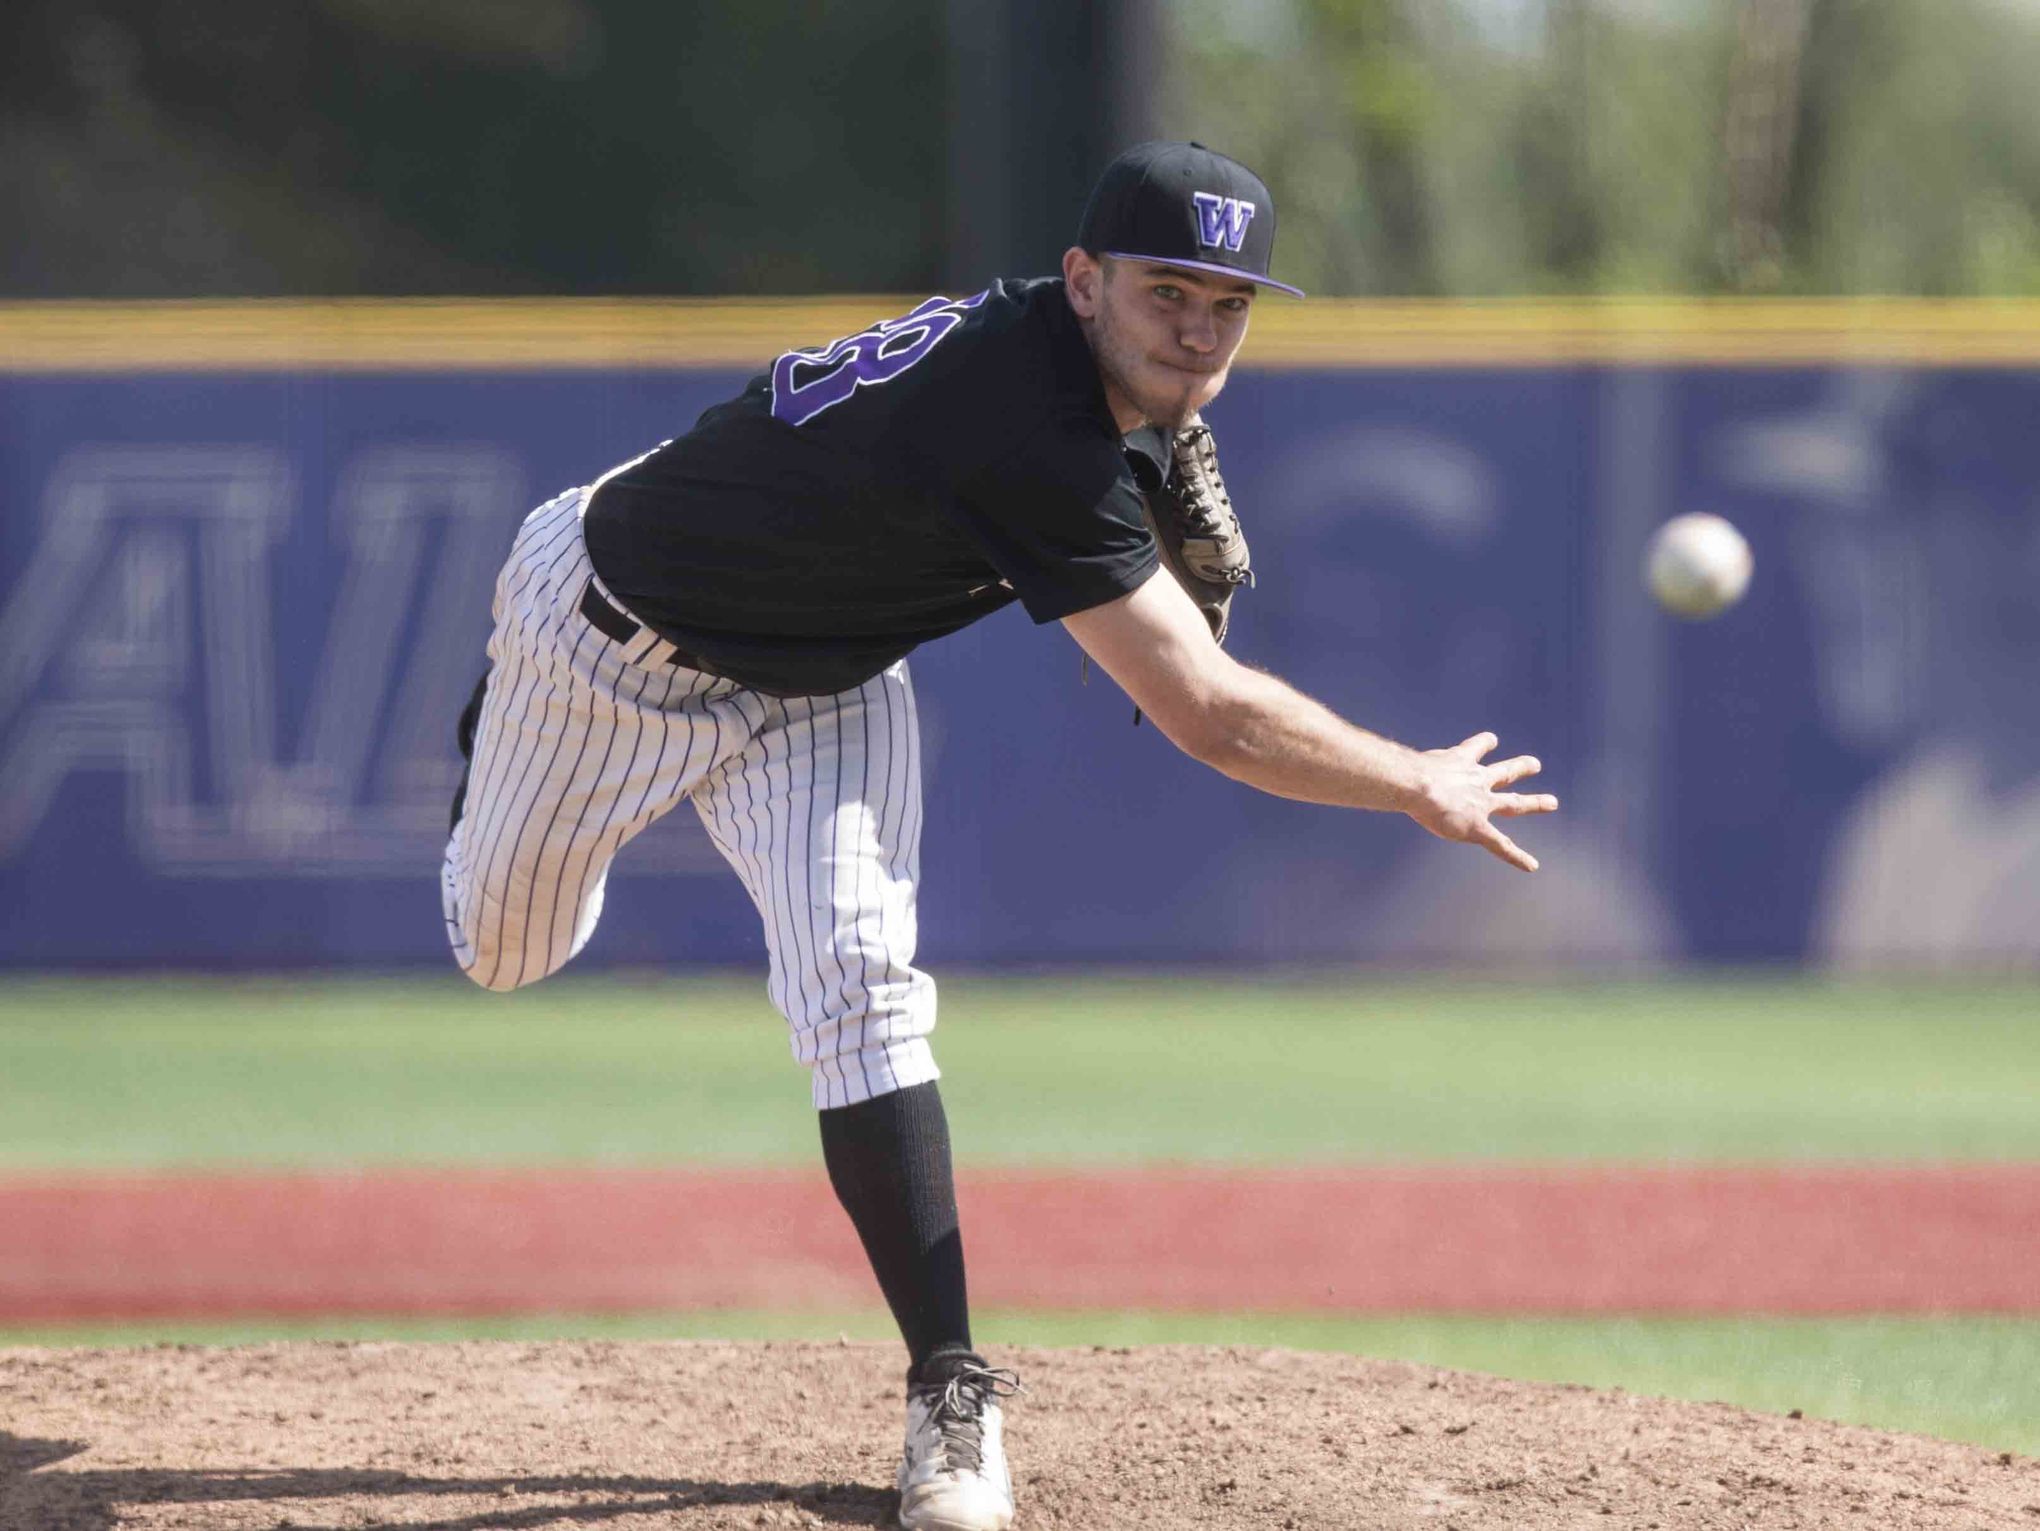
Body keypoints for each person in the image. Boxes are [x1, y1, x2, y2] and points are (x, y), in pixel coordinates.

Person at [440, 141, 1557, 1531]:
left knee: (861, 985)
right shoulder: (1025, 421)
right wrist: (1409, 781)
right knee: (506, 951)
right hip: (604, 643)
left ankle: (947, 1394)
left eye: (1229, 305)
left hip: (821, 677)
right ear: (1083, 281)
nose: (1198, 332)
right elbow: (1206, 713)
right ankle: (495, 752)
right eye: (1167, 293)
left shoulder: (1076, 372)